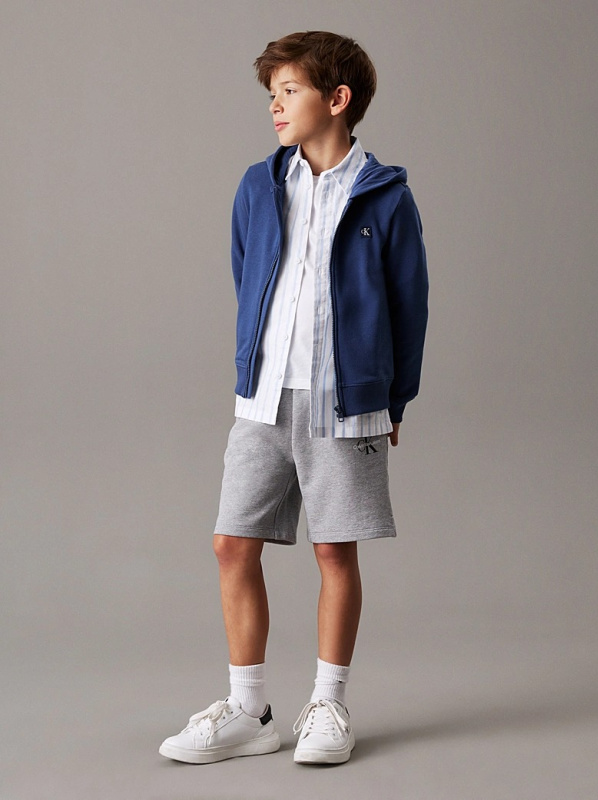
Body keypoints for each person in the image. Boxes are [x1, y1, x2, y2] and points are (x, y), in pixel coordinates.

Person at [159, 30, 428, 767]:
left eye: (289, 92)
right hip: (264, 397)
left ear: (337, 100)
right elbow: (247, 272)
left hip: (346, 399)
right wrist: (254, 360)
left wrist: (395, 399)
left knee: (333, 550)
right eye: (271, 95)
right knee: (231, 543)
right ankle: (250, 712)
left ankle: (328, 705)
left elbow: (409, 304)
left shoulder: (386, 196)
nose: (275, 107)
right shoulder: (259, 185)